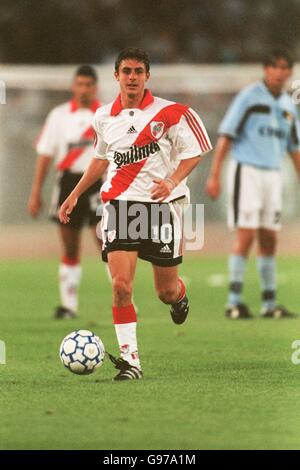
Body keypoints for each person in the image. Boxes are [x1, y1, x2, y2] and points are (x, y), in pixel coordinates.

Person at [58, 47, 212, 380]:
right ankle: (132, 362)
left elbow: (195, 152)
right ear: (116, 76)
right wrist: (75, 194)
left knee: (165, 291)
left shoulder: (171, 113)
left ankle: (179, 298)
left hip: (160, 209)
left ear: (147, 76)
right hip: (118, 206)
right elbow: (100, 159)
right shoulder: (103, 116)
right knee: (121, 286)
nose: (132, 77)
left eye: (138, 71)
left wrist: (171, 181)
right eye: (126, 71)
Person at [206, 50, 300, 319]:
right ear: (266, 69)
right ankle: (233, 302)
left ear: (289, 73)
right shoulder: (249, 97)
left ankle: (269, 304)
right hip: (246, 171)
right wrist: (214, 175)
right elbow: (226, 135)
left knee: (270, 238)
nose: (280, 72)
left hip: (273, 174)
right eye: (275, 66)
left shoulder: (287, 104)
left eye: (285, 68)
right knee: (246, 236)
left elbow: (294, 147)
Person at [27, 65, 101, 319]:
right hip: (68, 183)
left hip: (99, 184)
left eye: (88, 84)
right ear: (73, 86)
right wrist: (36, 191)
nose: (84, 89)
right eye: (80, 84)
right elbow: (45, 155)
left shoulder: (106, 114)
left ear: (95, 87)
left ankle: (124, 299)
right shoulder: (59, 115)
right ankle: (69, 305)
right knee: (70, 246)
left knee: (108, 242)